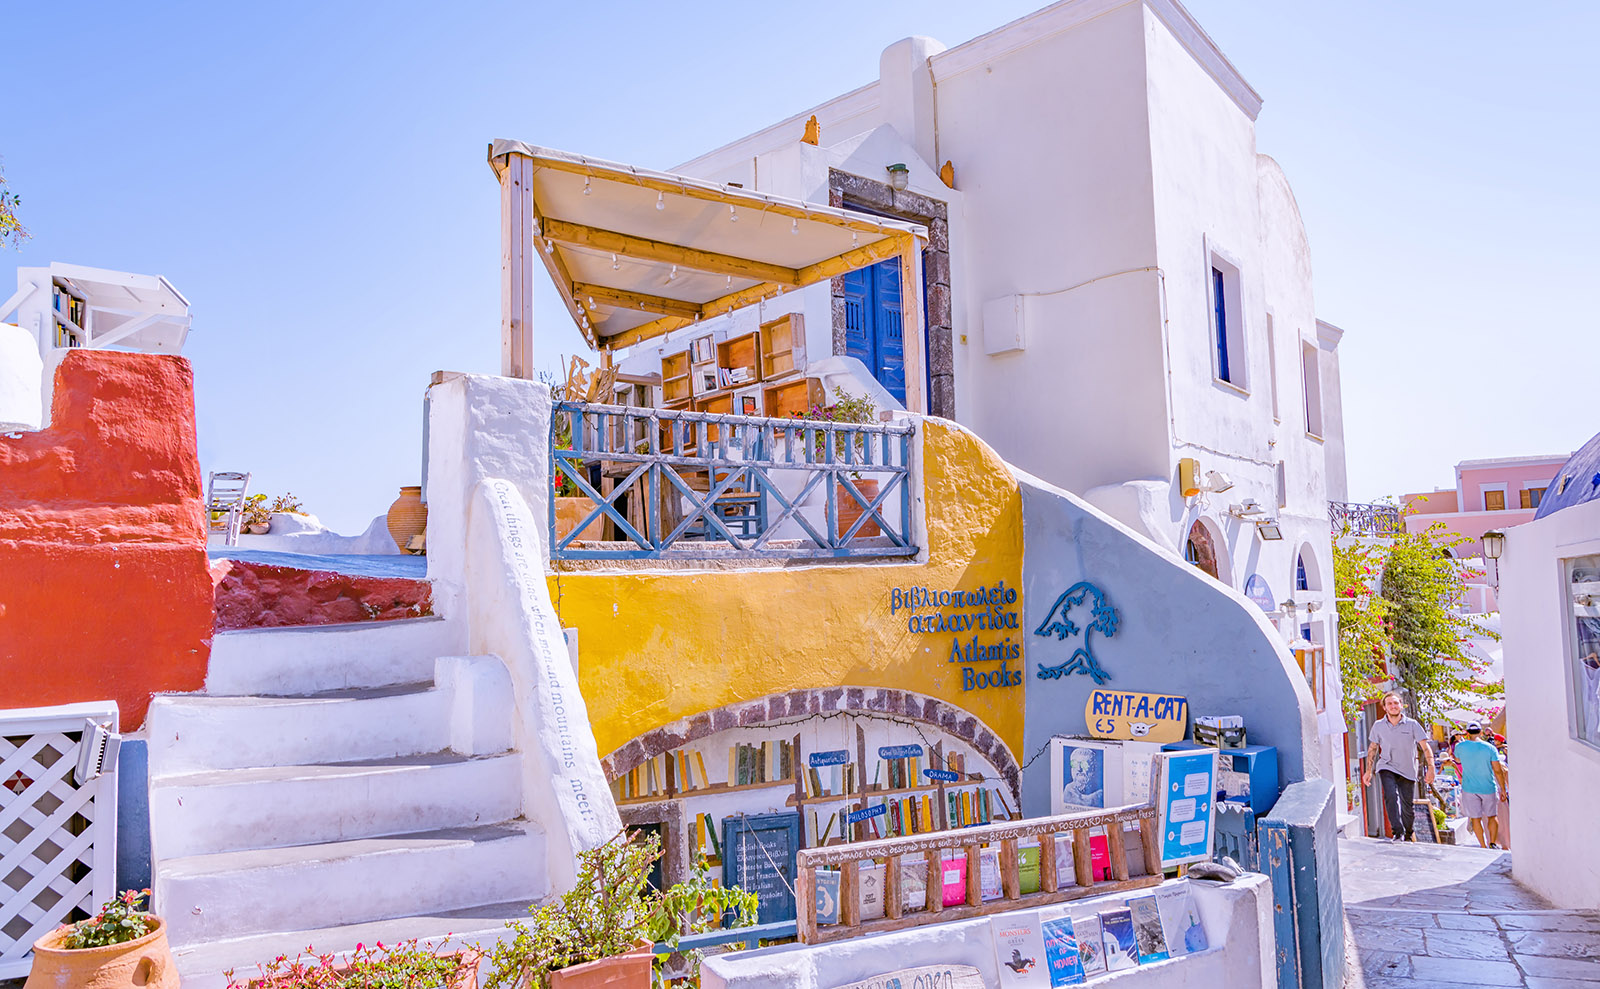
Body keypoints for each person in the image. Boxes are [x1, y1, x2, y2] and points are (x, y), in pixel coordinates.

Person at [1362, 691, 1435, 841]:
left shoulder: (1412, 724)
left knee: (1407, 805)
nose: (1393, 706)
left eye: (1396, 703)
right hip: (1386, 765)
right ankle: (1397, 831)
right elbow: (1373, 748)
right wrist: (1368, 771)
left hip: (1408, 769)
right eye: (1389, 704)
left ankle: (1408, 833)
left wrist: (1432, 768)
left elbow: (1425, 747)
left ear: (1401, 705)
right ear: (1384, 707)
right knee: (1390, 796)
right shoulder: (1378, 726)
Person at [1455, 722, 1509, 848]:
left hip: (1469, 788)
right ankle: (1492, 842)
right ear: (1481, 732)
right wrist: (1503, 789)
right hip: (1488, 787)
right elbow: (1497, 770)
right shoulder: (1489, 748)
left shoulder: (1460, 747)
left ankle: (1483, 845)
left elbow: (1457, 760)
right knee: (1492, 816)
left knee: (1476, 818)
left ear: (1467, 733)